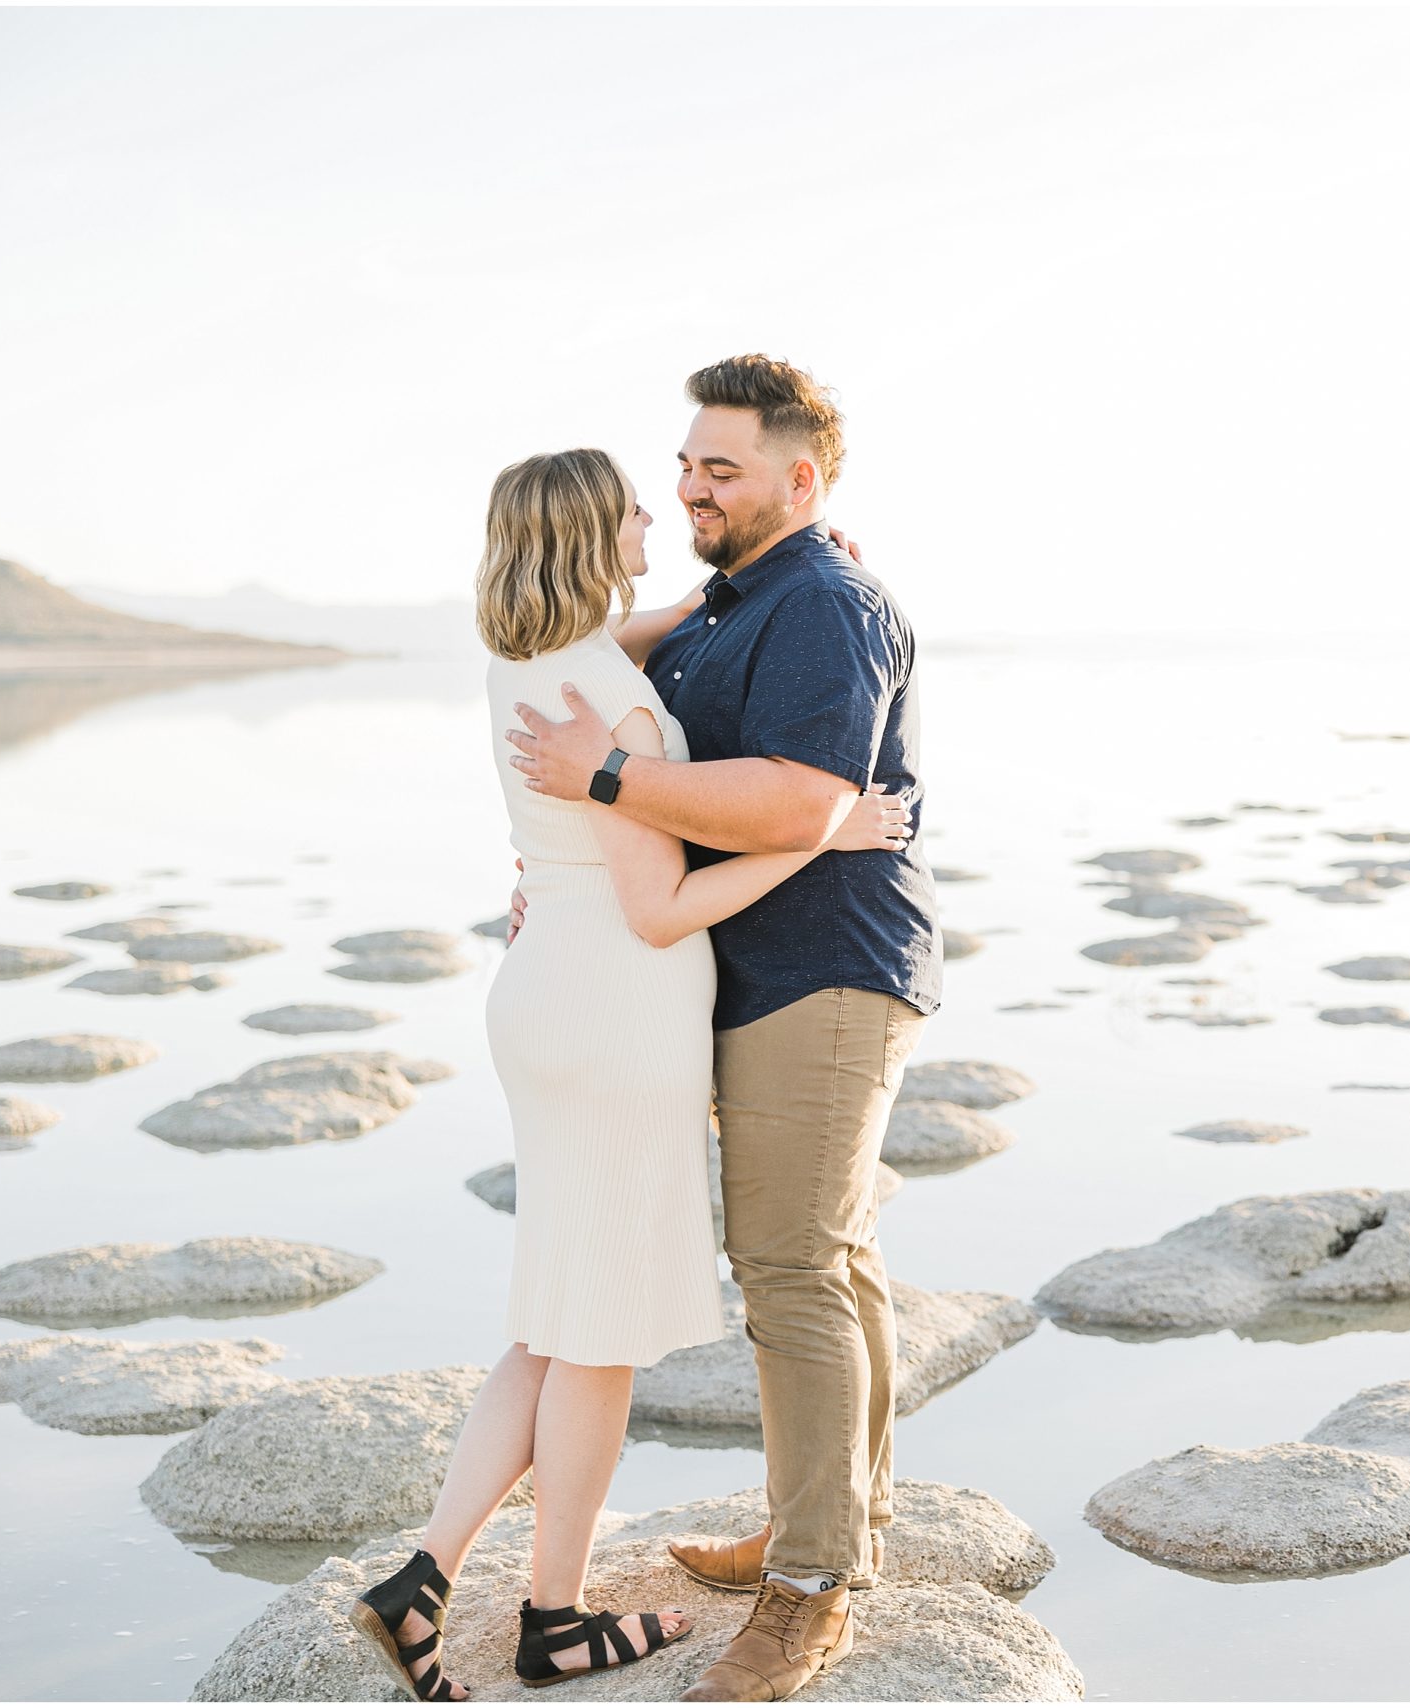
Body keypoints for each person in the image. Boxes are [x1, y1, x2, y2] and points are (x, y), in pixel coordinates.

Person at [343, 445, 910, 1702]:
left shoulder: (528, 660)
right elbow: (660, 908)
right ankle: (555, 1618)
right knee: (595, 1339)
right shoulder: (616, 707)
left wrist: (727, 602)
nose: (661, 512)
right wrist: (828, 829)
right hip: (616, 1009)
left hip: (545, 1001)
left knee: (549, 1320)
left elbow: (644, 632)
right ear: (598, 533)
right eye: (637, 505)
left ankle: (424, 1577)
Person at [503, 353, 942, 1702]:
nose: (690, 483)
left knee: (793, 1270)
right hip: (760, 970)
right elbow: (591, 652)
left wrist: (612, 777)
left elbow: (802, 797)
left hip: (825, 969)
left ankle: (812, 1592)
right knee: (835, 1263)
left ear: (800, 480)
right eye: (685, 463)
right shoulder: (743, 600)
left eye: (722, 468)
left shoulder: (825, 601)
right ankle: (831, 1526)